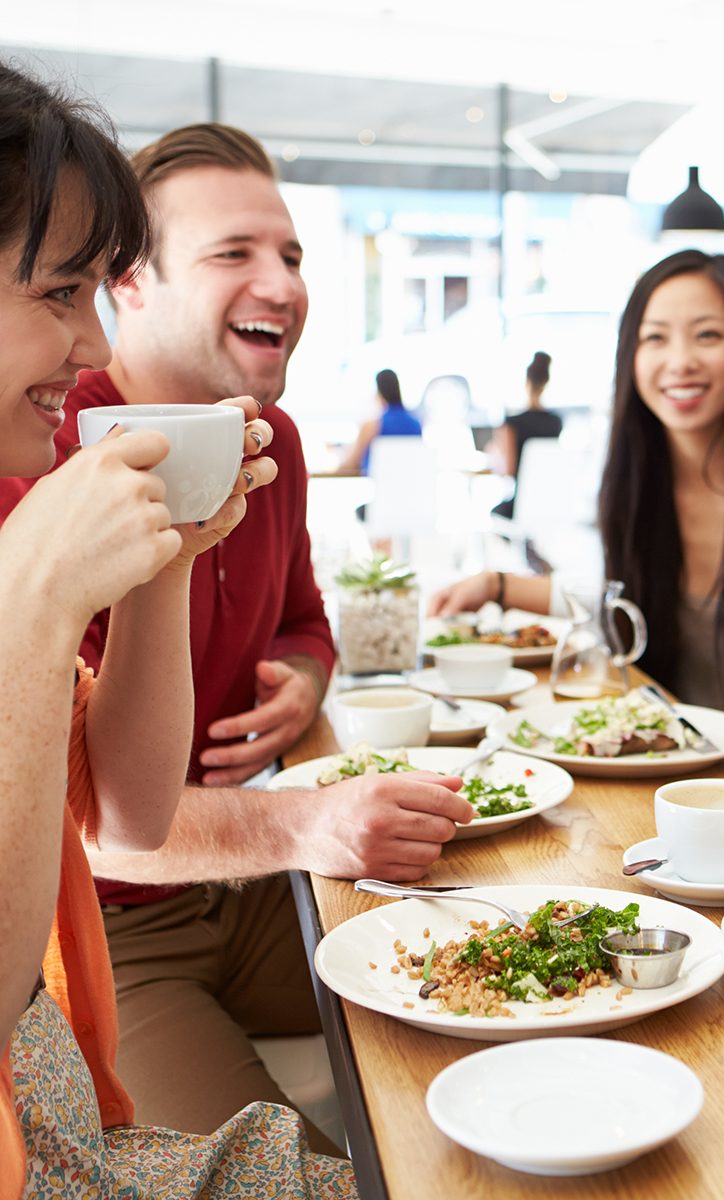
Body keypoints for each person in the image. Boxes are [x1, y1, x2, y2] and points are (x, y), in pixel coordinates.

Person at [0, 122, 475, 1152]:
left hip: (246, 885)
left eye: (293, 256)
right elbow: (99, 824)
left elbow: (303, 622)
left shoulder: (269, 440)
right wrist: (303, 822)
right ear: (130, 285)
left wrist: (301, 682)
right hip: (114, 927)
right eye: (234, 254)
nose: (285, 283)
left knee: (486, 980)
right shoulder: (41, 445)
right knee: (315, 1161)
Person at [0, 61, 354, 1197]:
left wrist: (170, 571)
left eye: (292, 253)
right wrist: (42, 601)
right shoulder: (37, 489)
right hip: (100, 971)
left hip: (185, 937)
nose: (94, 346)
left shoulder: (250, 442)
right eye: (64, 294)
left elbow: (125, 801)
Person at [431, 250, 724, 784]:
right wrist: (497, 584)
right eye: (656, 337)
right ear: (631, 355)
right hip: (661, 765)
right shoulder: (629, 475)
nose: (681, 360)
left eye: (707, 335)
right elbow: (615, 603)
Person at [490, 350, 562, 519]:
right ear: (546, 382)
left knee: (495, 515)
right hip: (551, 504)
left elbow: (507, 470)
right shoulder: (556, 422)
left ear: (526, 382)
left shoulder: (511, 424)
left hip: (521, 505)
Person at [335, 367, 421, 475]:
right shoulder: (416, 424)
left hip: (378, 487)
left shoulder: (373, 425)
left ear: (379, 392)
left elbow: (351, 463)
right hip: (410, 486)